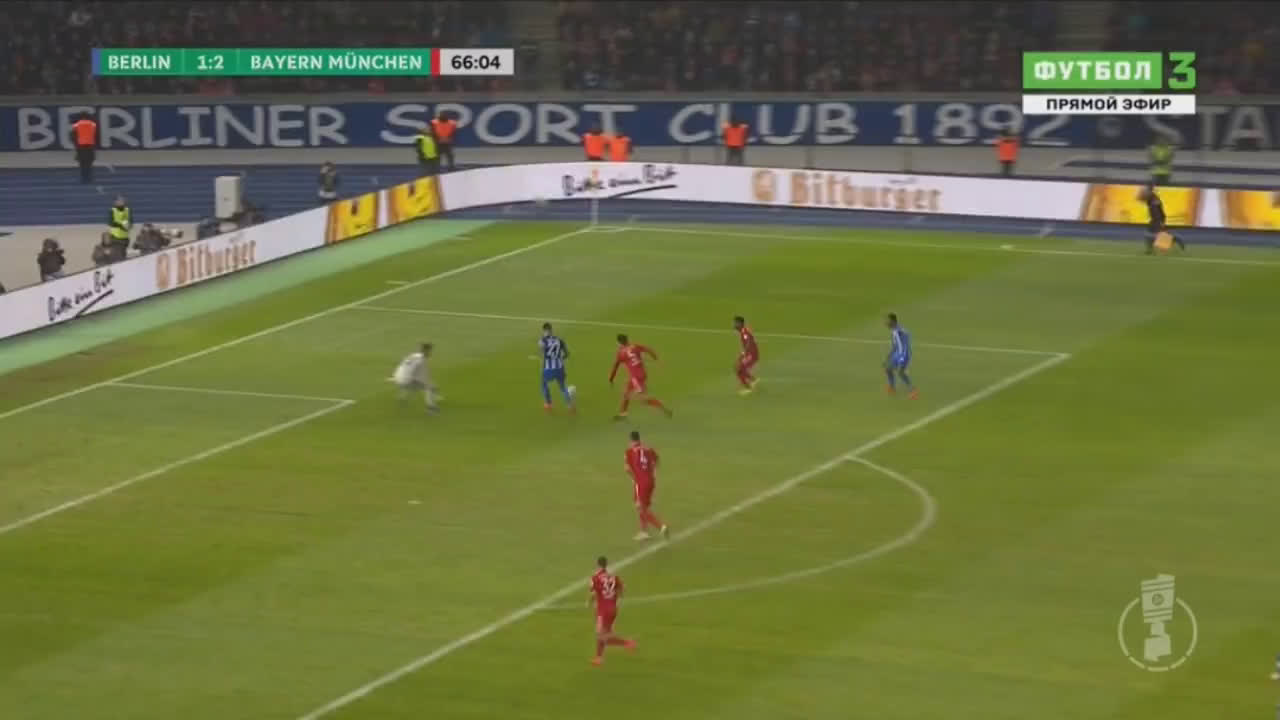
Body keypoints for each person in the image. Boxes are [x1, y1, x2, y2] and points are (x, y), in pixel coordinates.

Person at [609, 333, 673, 420]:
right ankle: (623, 414)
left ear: (619, 343)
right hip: (641, 374)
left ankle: (664, 409)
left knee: (644, 400)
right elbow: (648, 349)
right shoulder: (635, 346)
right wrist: (656, 359)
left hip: (635, 377)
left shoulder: (621, 353)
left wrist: (611, 379)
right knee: (626, 393)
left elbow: (615, 366)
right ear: (627, 340)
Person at [587, 556, 635, 665]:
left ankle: (627, 643)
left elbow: (593, 593)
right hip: (613, 609)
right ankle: (599, 658)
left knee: (602, 636)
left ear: (597, 564)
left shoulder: (595, 577)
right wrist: (615, 596)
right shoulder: (613, 576)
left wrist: (589, 603)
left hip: (603, 611)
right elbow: (622, 590)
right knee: (605, 634)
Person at [625, 430, 669, 541]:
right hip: (651, 481)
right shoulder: (648, 449)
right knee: (644, 506)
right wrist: (654, 473)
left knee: (640, 507)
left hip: (641, 482)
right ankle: (644, 532)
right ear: (639, 439)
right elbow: (657, 460)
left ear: (631, 440)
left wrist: (634, 479)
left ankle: (661, 527)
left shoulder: (629, 451)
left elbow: (626, 469)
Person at [390, 343, 440, 412]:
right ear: (425, 351)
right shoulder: (422, 361)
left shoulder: (413, 355)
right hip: (405, 380)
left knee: (413, 384)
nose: (431, 353)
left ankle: (402, 397)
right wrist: (433, 387)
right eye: (429, 351)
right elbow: (423, 379)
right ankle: (430, 407)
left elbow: (403, 365)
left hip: (397, 377)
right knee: (429, 387)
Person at [539, 322, 575, 413]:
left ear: (544, 330)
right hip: (560, 367)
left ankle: (548, 403)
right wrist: (561, 358)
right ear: (551, 329)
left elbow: (543, 355)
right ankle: (570, 406)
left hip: (548, 368)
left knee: (543, 384)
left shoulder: (542, 341)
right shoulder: (560, 340)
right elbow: (567, 354)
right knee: (563, 387)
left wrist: (543, 367)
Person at [1141, 183, 1186, 254]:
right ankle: (1150, 250)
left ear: (1149, 190)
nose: (1145, 192)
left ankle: (1177, 239)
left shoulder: (1154, 198)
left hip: (1157, 219)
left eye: (1146, 190)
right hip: (1155, 219)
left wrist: (1160, 222)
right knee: (1151, 235)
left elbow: (1156, 211)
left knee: (1156, 236)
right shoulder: (1151, 198)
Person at [884, 313, 917, 398]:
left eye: (888, 320)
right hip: (897, 354)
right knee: (888, 368)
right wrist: (889, 356)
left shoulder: (899, 330)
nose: (886, 322)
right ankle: (892, 387)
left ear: (893, 321)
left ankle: (912, 390)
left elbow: (906, 338)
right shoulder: (894, 331)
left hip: (904, 354)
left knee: (900, 372)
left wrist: (902, 357)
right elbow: (895, 346)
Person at [733, 315, 760, 394]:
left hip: (751, 354)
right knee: (738, 368)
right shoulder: (744, 331)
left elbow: (748, 343)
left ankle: (749, 387)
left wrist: (743, 354)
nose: (734, 325)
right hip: (750, 353)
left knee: (739, 369)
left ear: (740, 323)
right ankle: (753, 380)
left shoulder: (744, 332)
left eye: (736, 323)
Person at [71, 112, 98, 184]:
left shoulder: (76, 125)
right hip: (90, 145)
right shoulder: (93, 124)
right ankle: (89, 178)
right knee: (89, 163)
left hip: (80, 146)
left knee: (82, 163)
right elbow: (96, 135)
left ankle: (83, 178)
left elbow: (73, 136)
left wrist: (76, 146)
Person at [107, 194, 131, 261]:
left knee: (123, 254)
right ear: (115, 202)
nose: (121, 202)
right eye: (119, 201)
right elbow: (110, 222)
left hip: (125, 237)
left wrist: (127, 225)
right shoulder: (112, 210)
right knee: (116, 254)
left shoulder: (127, 210)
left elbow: (130, 221)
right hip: (115, 237)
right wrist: (120, 225)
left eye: (122, 201)